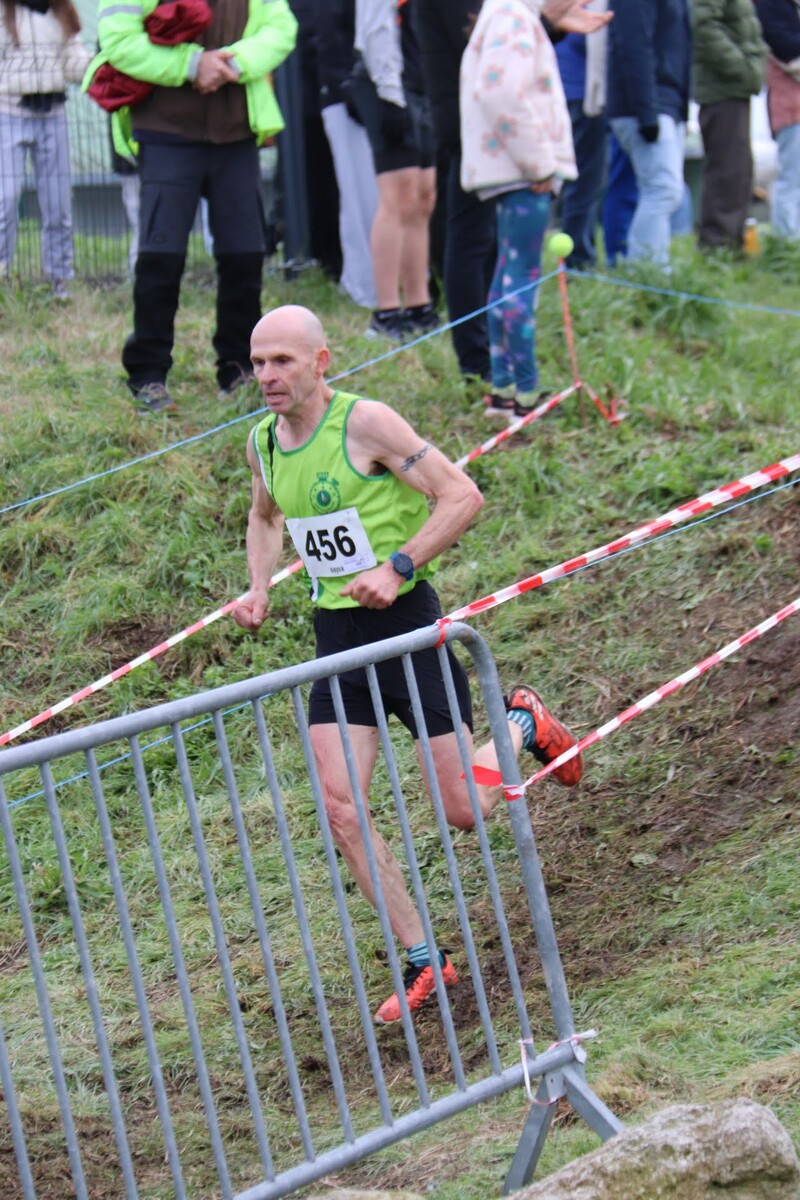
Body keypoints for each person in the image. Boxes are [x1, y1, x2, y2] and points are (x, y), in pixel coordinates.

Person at [232, 303, 583, 1024]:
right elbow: (266, 516)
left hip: (405, 629)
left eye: (283, 360)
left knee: (462, 810)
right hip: (337, 641)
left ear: (320, 362)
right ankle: (426, 956)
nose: (267, 375)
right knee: (341, 808)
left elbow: (461, 496)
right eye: (259, 362)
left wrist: (397, 566)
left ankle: (521, 721)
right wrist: (260, 586)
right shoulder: (264, 441)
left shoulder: (366, 424)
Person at [90, 0, 297, 413]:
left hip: (236, 130)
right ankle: (148, 375)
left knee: (245, 256)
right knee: (160, 259)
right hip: (164, 130)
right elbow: (118, 40)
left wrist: (231, 64)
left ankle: (238, 370)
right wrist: (190, 65)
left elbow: (281, 28)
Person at [460, 0, 577, 421]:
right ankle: (526, 395)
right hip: (525, 171)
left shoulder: (504, 13)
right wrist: (538, 161)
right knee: (522, 281)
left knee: (505, 280)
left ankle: (503, 391)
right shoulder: (513, 15)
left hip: (509, 169)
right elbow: (500, 92)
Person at [351, 0, 440, 341]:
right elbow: (375, 27)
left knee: (424, 196)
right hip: (386, 83)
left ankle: (419, 304)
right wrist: (389, 93)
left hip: (421, 82)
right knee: (398, 196)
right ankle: (386, 311)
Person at [0, 0, 90, 297]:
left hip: (53, 114)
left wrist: (97, 64)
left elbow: (73, 61)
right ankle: (2, 275)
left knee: (58, 204)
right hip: (8, 112)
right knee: (5, 201)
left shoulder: (60, 10)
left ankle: (61, 280)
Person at [606, 0, 692, 269]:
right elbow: (633, 44)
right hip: (644, 105)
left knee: (665, 192)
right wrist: (647, 112)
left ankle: (654, 268)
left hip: (667, 102)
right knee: (661, 190)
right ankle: (646, 274)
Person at [316, 0, 379, 309]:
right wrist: (347, 87)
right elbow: (329, 32)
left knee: (378, 197)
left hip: (379, 90)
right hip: (347, 96)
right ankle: (362, 286)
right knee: (358, 197)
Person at [692, 0, 766, 252]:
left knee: (738, 169)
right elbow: (703, 25)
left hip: (733, 88)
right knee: (727, 170)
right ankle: (718, 247)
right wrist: (742, 68)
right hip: (721, 88)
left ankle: (731, 244)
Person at [554, 5, 610, 268]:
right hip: (581, 94)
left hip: (562, 91)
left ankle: (578, 252)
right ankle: (578, 259)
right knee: (584, 179)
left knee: (577, 180)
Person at [755, 0, 800, 240]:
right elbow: (787, 49)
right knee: (791, 179)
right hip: (790, 107)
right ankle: (786, 243)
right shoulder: (771, 5)